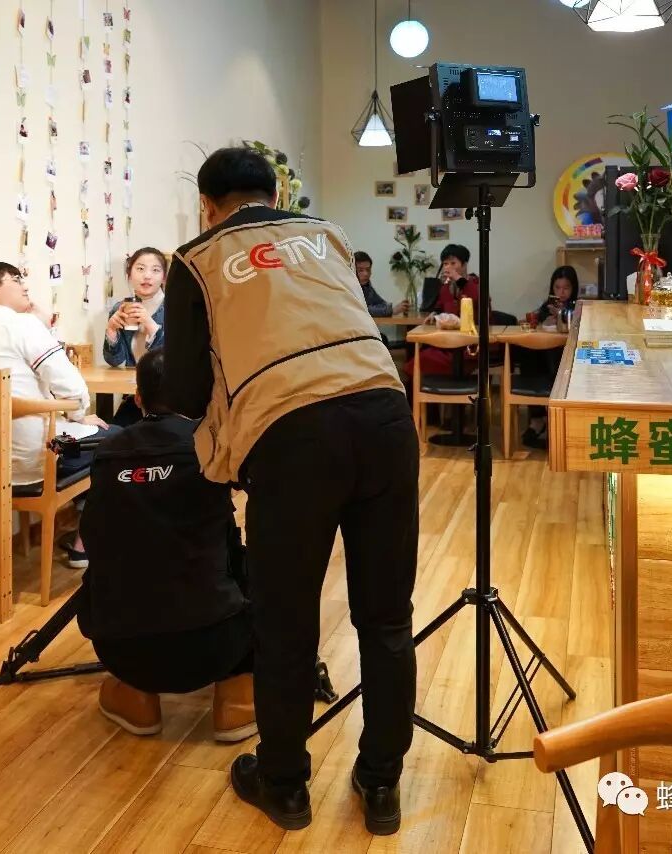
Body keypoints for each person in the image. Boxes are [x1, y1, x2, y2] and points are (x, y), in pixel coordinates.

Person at [164, 147, 419, 836]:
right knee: (387, 618)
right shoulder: (327, 234)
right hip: (386, 416)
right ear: (276, 194)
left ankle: (283, 784)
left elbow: (184, 391)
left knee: (286, 620)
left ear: (207, 206)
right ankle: (382, 782)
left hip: (292, 434)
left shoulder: (197, 258)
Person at [76, 349, 256, 743]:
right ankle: (236, 700)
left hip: (121, 649)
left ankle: (138, 698)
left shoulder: (107, 454)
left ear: (138, 399)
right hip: (216, 644)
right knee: (257, 565)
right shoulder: (210, 448)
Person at [0, 262, 114, 568]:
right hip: (45, 457)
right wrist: (79, 416)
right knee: (118, 441)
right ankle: (85, 543)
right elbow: (72, 387)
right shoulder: (22, 325)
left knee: (98, 442)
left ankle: (84, 528)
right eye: (16, 279)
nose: (25, 285)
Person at [398, 243, 483, 383]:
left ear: (464, 265)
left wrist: (458, 279)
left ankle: (427, 393)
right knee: (415, 358)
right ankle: (423, 394)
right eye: (445, 264)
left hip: (470, 346)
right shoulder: (446, 287)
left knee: (420, 362)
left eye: (453, 263)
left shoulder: (475, 283)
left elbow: (476, 299)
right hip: (448, 343)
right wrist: (435, 314)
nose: (448, 267)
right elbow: (440, 306)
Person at [104, 247, 168, 426]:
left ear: (163, 277)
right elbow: (114, 361)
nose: (147, 276)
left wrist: (151, 326)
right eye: (140, 269)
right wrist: (111, 330)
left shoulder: (175, 307)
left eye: (155, 270)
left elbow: (173, 360)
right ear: (129, 275)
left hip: (170, 399)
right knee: (112, 432)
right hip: (135, 397)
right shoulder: (121, 308)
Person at [519, 266, 578, 449]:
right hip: (543, 356)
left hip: (567, 358)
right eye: (557, 288)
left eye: (566, 288)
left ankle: (553, 420)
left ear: (573, 288)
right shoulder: (547, 306)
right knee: (527, 350)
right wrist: (544, 320)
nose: (561, 292)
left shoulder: (578, 307)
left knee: (555, 358)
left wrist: (563, 317)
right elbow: (535, 324)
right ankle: (537, 419)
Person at [354, 251, 394, 318]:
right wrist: (390, 310)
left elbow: (382, 304)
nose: (366, 274)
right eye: (360, 270)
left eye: (368, 270)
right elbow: (361, 310)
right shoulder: (346, 287)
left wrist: (388, 309)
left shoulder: (366, 286)